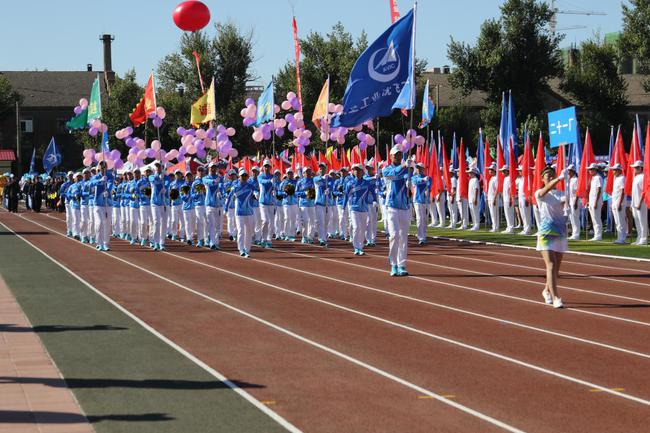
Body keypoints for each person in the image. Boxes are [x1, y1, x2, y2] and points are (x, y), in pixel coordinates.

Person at [535, 165, 567, 309]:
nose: (550, 177)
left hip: (560, 233)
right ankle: (556, 298)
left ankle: (546, 290)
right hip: (546, 233)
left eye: (552, 175)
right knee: (551, 265)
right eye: (547, 176)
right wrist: (559, 178)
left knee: (556, 269)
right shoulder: (540, 193)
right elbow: (545, 191)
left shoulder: (561, 194)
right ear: (542, 179)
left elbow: (568, 201)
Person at [382, 146, 412, 277]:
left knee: (403, 237)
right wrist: (405, 166)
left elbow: (410, 178)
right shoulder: (386, 169)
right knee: (394, 235)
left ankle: (401, 264)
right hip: (392, 207)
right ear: (390, 156)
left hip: (404, 206)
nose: (397, 156)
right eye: (395, 154)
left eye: (399, 154)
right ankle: (393, 264)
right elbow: (394, 174)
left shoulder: (407, 169)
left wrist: (410, 176)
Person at [343, 163, 376, 255]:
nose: (356, 172)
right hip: (354, 209)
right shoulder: (350, 183)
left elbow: (373, 192)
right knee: (356, 227)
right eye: (355, 170)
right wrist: (343, 207)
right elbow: (346, 195)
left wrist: (375, 200)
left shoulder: (367, 183)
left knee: (362, 228)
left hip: (364, 209)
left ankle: (360, 247)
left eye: (358, 170)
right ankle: (356, 247)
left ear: (362, 171)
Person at [225, 168, 257, 257]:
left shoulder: (250, 186)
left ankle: (247, 249)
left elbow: (257, 192)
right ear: (239, 176)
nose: (244, 177)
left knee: (249, 232)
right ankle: (241, 249)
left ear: (247, 177)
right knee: (240, 231)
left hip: (249, 212)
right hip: (239, 212)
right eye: (242, 175)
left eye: (245, 175)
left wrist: (256, 195)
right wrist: (226, 208)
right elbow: (230, 198)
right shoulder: (235, 187)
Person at [89, 161, 113, 251]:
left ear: (106, 167)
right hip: (98, 203)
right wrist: (100, 181)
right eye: (101, 167)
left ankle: (105, 243)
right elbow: (91, 184)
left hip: (108, 203)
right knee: (99, 223)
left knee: (107, 224)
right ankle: (99, 243)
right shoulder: (95, 177)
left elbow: (110, 185)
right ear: (99, 168)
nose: (103, 168)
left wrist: (107, 191)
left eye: (104, 166)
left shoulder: (110, 176)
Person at [203, 162, 225, 250]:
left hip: (218, 205)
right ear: (209, 168)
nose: (213, 169)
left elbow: (222, 187)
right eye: (212, 167)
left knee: (217, 226)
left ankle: (215, 242)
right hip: (209, 204)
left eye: (215, 167)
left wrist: (221, 192)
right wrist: (215, 181)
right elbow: (209, 182)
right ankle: (212, 242)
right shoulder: (205, 178)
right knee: (211, 224)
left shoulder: (220, 178)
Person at [149, 162, 169, 251]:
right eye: (156, 167)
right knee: (156, 222)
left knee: (163, 223)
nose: (158, 168)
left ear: (162, 168)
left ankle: (162, 242)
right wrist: (159, 177)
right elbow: (154, 180)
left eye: (159, 167)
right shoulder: (151, 176)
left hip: (164, 203)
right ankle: (156, 242)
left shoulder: (166, 177)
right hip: (154, 203)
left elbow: (167, 184)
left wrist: (165, 187)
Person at [258, 160, 277, 248]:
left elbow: (277, 187)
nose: (266, 168)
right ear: (263, 167)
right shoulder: (260, 176)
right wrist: (270, 181)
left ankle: (269, 239)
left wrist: (275, 189)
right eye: (265, 166)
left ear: (270, 167)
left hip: (271, 202)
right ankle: (263, 238)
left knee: (271, 222)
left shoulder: (273, 176)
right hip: (263, 202)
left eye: (268, 166)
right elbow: (262, 182)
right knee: (265, 220)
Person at [296, 166, 316, 244]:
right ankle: (304, 236)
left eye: (309, 171)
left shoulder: (314, 181)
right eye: (306, 171)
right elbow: (296, 192)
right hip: (303, 203)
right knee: (305, 220)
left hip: (312, 203)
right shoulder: (300, 182)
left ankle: (310, 237)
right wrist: (304, 193)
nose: (308, 173)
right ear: (303, 173)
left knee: (312, 221)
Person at [411, 163, 431, 244]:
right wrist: (423, 180)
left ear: (423, 169)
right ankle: (421, 237)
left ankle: (424, 235)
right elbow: (416, 182)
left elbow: (429, 187)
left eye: (420, 168)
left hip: (426, 201)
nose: (418, 169)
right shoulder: (414, 177)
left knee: (425, 219)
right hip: (417, 200)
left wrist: (427, 183)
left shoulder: (428, 178)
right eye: (417, 168)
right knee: (419, 218)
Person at [278, 168, 298, 241]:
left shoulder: (296, 182)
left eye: (291, 173)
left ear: (293, 174)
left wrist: (293, 193)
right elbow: (279, 192)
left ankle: (292, 235)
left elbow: (298, 191)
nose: (290, 174)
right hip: (286, 203)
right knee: (287, 218)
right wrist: (285, 193)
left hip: (294, 203)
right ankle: (286, 234)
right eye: (288, 173)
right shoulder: (283, 183)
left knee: (293, 219)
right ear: (286, 174)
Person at [313, 163, 330, 246]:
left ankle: (324, 236)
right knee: (321, 221)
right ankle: (321, 239)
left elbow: (332, 186)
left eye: (323, 168)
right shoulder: (316, 178)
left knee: (326, 221)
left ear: (326, 169)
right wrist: (323, 178)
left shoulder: (328, 179)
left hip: (327, 203)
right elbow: (317, 180)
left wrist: (329, 190)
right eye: (320, 168)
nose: (321, 170)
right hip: (319, 203)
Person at [631, 160, 648, 245]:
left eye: (636, 167)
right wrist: (632, 203)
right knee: (637, 221)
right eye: (634, 167)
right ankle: (639, 237)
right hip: (635, 203)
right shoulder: (636, 177)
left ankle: (644, 239)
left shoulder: (643, 177)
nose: (634, 169)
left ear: (640, 168)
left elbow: (644, 192)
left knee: (642, 221)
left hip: (641, 203)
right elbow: (634, 192)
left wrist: (640, 203)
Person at [610, 163, 628, 244]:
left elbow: (622, 191)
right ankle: (619, 237)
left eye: (615, 170)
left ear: (619, 170)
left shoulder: (622, 178)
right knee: (617, 222)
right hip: (615, 202)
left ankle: (622, 238)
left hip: (619, 203)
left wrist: (619, 203)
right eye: (613, 169)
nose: (613, 171)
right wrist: (613, 203)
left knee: (621, 221)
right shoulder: (616, 178)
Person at [586, 163, 603, 241]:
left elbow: (599, 190)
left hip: (596, 201)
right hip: (592, 201)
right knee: (593, 219)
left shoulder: (598, 178)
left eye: (591, 169)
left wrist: (596, 202)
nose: (590, 171)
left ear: (595, 170)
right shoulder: (593, 178)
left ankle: (598, 235)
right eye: (589, 169)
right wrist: (589, 201)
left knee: (596, 218)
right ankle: (596, 234)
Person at [364, 162, 379, 247]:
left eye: (369, 168)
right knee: (368, 221)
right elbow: (365, 180)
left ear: (372, 169)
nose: (368, 170)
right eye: (367, 168)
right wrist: (373, 178)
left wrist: (379, 188)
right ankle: (368, 239)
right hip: (367, 202)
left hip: (375, 202)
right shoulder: (365, 177)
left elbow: (381, 186)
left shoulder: (377, 177)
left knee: (374, 221)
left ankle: (373, 239)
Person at [192, 165, 207, 247]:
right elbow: (192, 195)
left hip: (207, 204)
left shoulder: (207, 181)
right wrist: (197, 194)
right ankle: (200, 240)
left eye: (202, 171)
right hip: (198, 205)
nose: (200, 172)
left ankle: (207, 239)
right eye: (199, 171)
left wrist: (205, 192)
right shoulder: (195, 183)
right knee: (199, 222)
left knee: (207, 222)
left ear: (204, 172)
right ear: (197, 172)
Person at [168, 170, 185, 241]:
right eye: (176, 174)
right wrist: (171, 197)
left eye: (179, 174)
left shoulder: (184, 183)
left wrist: (180, 194)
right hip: (174, 204)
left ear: (181, 174)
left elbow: (185, 193)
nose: (177, 175)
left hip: (181, 204)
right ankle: (174, 234)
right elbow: (169, 194)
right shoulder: (172, 184)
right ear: (175, 175)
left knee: (182, 221)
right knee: (174, 221)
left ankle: (182, 236)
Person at [180, 172, 196, 245]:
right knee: (187, 223)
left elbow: (197, 196)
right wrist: (187, 194)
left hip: (194, 207)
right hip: (186, 208)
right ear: (185, 177)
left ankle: (192, 236)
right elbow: (183, 198)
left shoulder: (194, 185)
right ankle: (189, 238)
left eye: (190, 176)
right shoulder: (183, 186)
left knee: (193, 223)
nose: (189, 177)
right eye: (187, 176)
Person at [566, 165, 581, 240]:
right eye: (568, 170)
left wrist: (575, 202)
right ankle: (573, 233)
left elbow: (577, 192)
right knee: (571, 218)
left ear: (573, 171)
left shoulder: (576, 180)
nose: (568, 172)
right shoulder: (570, 179)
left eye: (569, 170)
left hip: (575, 201)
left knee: (575, 217)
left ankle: (576, 234)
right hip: (570, 201)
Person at [517, 166, 532, 235]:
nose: (519, 172)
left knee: (526, 214)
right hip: (520, 198)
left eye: (520, 170)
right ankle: (525, 228)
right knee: (522, 214)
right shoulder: (520, 179)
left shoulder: (527, 179)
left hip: (525, 198)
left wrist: (527, 198)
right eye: (519, 171)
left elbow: (529, 190)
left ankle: (528, 229)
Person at [500, 166, 515, 234]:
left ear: (507, 171)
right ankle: (508, 227)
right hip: (505, 199)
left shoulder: (509, 178)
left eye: (503, 171)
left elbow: (510, 189)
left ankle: (511, 228)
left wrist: (510, 199)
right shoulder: (505, 178)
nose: (502, 172)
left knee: (510, 213)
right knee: (507, 213)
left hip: (508, 199)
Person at [486, 163, 499, 232]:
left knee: (494, 213)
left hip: (494, 198)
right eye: (489, 169)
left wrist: (494, 198)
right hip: (490, 198)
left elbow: (497, 189)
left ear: (494, 170)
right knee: (492, 213)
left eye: (491, 170)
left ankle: (496, 227)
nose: (489, 171)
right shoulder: (491, 178)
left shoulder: (496, 178)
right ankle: (494, 226)